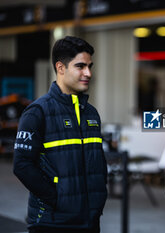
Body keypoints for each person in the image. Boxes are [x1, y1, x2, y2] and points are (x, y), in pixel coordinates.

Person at [13, 36, 108, 233]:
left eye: (90, 66)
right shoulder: (37, 112)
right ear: (60, 67)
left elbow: (98, 161)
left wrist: (99, 196)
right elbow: (22, 166)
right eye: (80, 66)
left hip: (90, 221)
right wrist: (56, 199)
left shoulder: (91, 113)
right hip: (51, 222)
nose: (88, 73)